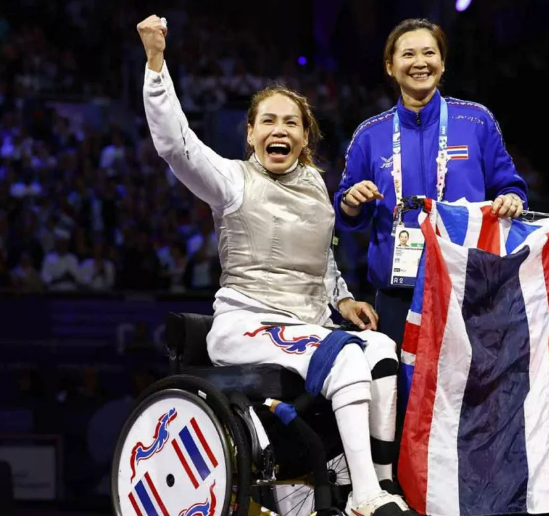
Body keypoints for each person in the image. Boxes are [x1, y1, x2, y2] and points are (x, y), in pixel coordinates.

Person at [136, 15, 410, 516]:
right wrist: (156, 63)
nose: (279, 130)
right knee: (346, 356)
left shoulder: (314, 188)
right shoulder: (231, 180)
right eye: (268, 121)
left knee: (380, 349)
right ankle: (367, 498)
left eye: (291, 123)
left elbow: (321, 258)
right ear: (250, 134)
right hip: (246, 325)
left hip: (308, 324)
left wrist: (344, 299)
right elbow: (175, 146)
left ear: (305, 138)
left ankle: (381, 483)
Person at [334, 18, 530, 348]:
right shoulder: (370, 135)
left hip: (468, 288)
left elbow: (510, 186)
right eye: (408, 54)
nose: (420, 63)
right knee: (403, 396)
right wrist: (350, 202)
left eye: (429, 53)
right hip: (398, 295)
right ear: (389, 66)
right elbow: (347, 216)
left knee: (467, 396)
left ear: (442, 62)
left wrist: (511, 198)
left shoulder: (476, 121)